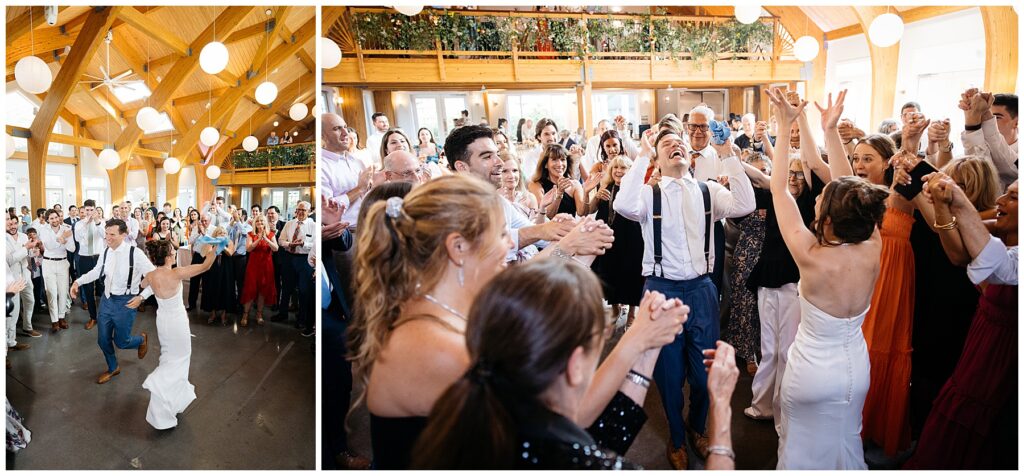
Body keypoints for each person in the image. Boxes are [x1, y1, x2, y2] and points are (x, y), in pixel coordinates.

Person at [348, 175, 666, 469]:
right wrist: (637, 340)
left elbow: (523, 284)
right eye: (501, 234)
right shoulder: (438, 348)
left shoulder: (442, 306)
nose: (510, 246)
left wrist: (577, 256)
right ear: (458, 248)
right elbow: (569, 418)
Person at [411, 259, 687, 469]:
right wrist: (721, 416)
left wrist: (649, 348)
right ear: (575, 364)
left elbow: (598, 441)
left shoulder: (473, 411)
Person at [614, 118, 755, 468]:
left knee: (704, 371)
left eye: (679, 143)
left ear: (689, 155)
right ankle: (676, 437)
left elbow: (745, 203)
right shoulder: (649, 193)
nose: (675, 145)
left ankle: (697, 428)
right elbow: (623, 206)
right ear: (658, 160)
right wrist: (642, 156)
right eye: (666, 145)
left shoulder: (708, 190)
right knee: (670, 374)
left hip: (702, 290)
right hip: (661, 291)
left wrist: (728, 154)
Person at [764, 88, 889, 469]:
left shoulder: (811, 256)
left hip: (812, 375)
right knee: (844, 441)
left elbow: (779, 187)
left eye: (821, 200)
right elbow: (854, 189)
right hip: (856, 369)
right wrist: (830, 131)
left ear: (828, 219)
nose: (817, 199)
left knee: (801, 450)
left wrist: (785, 127)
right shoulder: (873, 243)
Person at [903, 177, 1018, 469]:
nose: (1000, 202)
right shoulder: (999, 230)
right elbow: (957, 252)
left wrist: (958, 201)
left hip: (1004, 350)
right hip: (983, 337)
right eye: (1004, 193)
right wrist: (942, 204)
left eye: (1013, 197)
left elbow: (999, 265)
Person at [138, 240, 215, 429]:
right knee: (180, 359)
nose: (174, 254)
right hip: (177, 323)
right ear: (167, 257)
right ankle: (163, 393)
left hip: (162, 321)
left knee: (168, 358)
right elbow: (206, 266)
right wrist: (214, 249)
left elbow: (142, 284)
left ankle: (169, 403)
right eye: (172, 252)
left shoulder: (150, 275)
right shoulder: (176, 273)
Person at [70, 218, 154, 384]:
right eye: (106, 234)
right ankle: (113, 367)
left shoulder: (135, 253)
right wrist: (77, 282)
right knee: (102, 339)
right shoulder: (106, 251)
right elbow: (97, 271)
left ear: (124, 234)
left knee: (122, 342)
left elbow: (154, 278)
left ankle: (140, 340)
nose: (107, 237)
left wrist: (142, 297)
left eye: (112, 234)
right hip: (107, 301)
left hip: (126, 302)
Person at [590, 155, 645, 326]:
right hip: (609, 239)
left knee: (632, 275)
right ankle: (614, 308)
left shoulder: (637, 191)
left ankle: (632, 313)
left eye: (623, 168)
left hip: (632, 239)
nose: (619, 171)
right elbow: (590, 209)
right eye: (615, 168)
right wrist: (596, 196)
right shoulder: (606, 187)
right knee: (610, 274)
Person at [321, 114, 372, 232]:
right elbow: (327, 210)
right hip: (347, 233)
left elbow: (366, 193)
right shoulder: (322, 166)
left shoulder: (356, 160)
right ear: (323, 135)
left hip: (369, 226)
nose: (345, 133)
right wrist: (359, 189)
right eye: (337, 129)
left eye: (345, 127)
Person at [960, 89, 1017, 190]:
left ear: (1016, 122)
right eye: (991, 118)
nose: (982, 120)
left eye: (997, 117)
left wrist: (972, 121)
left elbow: (986, 185)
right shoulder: (970, 148)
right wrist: (981, 112)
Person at [278, 201, 315, 336]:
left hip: (304, 259)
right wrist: (289, 244)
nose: (300, 212)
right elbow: (280, 240)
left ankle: (302, 319)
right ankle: (283, 313)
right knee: (286, 287)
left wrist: (304, 243)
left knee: (304, 290)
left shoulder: (313, 226)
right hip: (289, 257)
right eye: (298, 210)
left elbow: (315, 244)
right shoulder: (289, 224)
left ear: (309, 211)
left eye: (303, 210)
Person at [36, 209, 75, 333]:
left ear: (59, 217)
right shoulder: (43, 230)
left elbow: (72, 248)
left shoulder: (67, 228)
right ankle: (54, 321)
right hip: (48, 264)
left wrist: (64, 240)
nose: (54, 220)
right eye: (51, 218)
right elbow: (49, 246)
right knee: (51, 293)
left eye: (56, 217)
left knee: (63, 292)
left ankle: (61, 317)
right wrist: (62, 239)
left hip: (63, 263)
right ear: (47, 220)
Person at [528, 143, 591, 218]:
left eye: (563, 159)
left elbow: (582, 213)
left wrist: (586, 193)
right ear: (545, 164)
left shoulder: (574, 184)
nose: (560, 164)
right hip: (549, 229)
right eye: (554, 160)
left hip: (571, 228)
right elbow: (547, 216)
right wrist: (559, 195)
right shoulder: (536, 185)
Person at [240, 215, 278, 326]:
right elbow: (248, 248)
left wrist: (265, 238)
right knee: (250, 289)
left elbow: (276, 249)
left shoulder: (271, 234)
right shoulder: (250, 234)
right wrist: (258, 239)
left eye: (262, 221)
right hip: (253, 266)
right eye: (258, 221)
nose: (260, 223)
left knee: (262, 291)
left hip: (266, 266)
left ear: (265, 223)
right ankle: (245, 314)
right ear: (255, 223)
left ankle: (259, 314)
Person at [6, 215, 35, 351]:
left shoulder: (24, 236)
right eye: (9, 223)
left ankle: (27, 327)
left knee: (30, 301)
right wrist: (25, 248)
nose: (12, 226)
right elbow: (10, 260)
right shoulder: (4, 239)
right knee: (13, 311)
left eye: (14, 223)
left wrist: (35, 250)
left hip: (25, 275)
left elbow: (29, 255)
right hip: (13, 278)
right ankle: (10, 342)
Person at [200, 226, 236, 325]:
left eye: (224, 233)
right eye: (220, 233)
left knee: (225, 290)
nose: (222, 235)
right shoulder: (211, 242)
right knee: (212, 289)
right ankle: (212, 313)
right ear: (215, 234)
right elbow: (206, 254)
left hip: (226, 270)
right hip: (212, 269)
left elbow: (230, 253)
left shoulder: (229, 242)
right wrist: (214, 244)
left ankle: (224, 315)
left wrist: (222, 245)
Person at [227, 208, 251, 313]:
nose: (236, 215)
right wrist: (232, 222)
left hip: (241, 257)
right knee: (231, 281)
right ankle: (231, 303)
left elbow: (245, 233)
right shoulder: (234, 225)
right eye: (235, 214)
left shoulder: (248, 226)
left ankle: (241, 304)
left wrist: (238, 221)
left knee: (241, 282)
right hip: (231, 256)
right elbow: (226, 233)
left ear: (243, 216)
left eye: (238, 214)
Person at [186, 214, 211, 312]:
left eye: (206, 221)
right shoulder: (196, 228)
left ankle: (206, 305)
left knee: (207, 281)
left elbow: (213, 242)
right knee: (194, 281)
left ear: (210, 221)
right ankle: (191, 304)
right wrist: (199, 233)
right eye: (202, 221)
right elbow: (190, 241)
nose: (204, 223)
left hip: (208, 257)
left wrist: (205, 233)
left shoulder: (214, 229)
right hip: (197, 256)